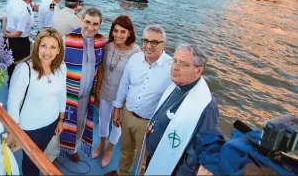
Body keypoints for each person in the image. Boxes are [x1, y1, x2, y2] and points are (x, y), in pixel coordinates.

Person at [105, 25, 173, 176]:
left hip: (149, 123)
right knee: (125, 149)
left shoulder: (171, 67)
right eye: (145, 40)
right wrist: (117, 109)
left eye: (154, 42)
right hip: (128, 114)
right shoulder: (134, 59)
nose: (148, 45)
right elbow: (124, 85)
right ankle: (123, 173)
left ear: (164, 44)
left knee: (144, 158)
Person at [142, 43, 219, 176]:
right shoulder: (177, 85)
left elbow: (197, 153)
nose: (175, 68)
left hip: (171, 168)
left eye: (183, 64)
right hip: (155, 157)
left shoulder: (207, 106)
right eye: (175, 61)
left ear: (198, 70)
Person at [7, 28, 67, 176]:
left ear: (59, 50)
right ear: (37, 46)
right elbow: (13, 103)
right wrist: (14, 131)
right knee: (30, 163)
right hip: (29, 128)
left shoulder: (61, 68)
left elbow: (62, 94)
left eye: (53, 47)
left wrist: (60, 119)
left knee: (40, 154)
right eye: (43, 46)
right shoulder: (24, 69)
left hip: (50, 124)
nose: (47, 51)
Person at [48, 8, 105, 163]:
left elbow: (100, 68)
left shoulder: (101, 42)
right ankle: (52, 155)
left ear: (100, 25)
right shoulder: (67, 40)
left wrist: (98, 91)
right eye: (87, 22)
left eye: (95, 24)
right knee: (58, 125)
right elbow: (53, 66)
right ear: (82, 20)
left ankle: (72, 148)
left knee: (79, 124)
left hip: (86, 96)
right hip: (66, 94)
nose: (90, 27)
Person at [93, 16, 142, 168]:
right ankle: (101, 143)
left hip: (122, 98)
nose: (118, 35)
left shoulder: (136, 53)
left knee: (116, 124)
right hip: (105, 91)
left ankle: (110, 149)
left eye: (123, 31)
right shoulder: (108, 46)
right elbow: (101, 69)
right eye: (115, 31)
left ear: (129, 33)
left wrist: (124, 103)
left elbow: (137, 81)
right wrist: (97, 89)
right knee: (103, 120)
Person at [4, 0, 35, 86]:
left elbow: (5, 17)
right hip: (21, 42)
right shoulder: (26, 11)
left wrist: (5, 33)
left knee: (10, 61)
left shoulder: (12, 2)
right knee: (21, 65)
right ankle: (15, 85)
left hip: (10, 38)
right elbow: (18, 34)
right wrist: (8, 34)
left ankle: (10, 80)